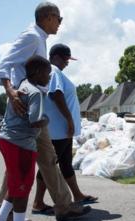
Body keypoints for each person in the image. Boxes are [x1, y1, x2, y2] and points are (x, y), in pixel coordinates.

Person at [0, 2, 91, 221]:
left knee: (47, 158)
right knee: (21, 164)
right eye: (59, 18)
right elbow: (4, 64)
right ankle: (7, 212)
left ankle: (62, 206)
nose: (60, 23)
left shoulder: (40, 39)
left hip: (35, 108)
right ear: (48, 17)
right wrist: (10, 91)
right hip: (25, 108)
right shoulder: (31, 37)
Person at [32, 44, 98, 209]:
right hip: (57, 130)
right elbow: (56, 94)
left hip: (63, 131)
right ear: (55, 57)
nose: (67, 63)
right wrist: (69, 120)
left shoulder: (57, 72)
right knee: (49, 165)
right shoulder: (53, 71)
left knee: (66, 163)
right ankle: (38, 202)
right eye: (65, 59)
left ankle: (77, 195)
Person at [0, 56, 51, 221]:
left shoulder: (20, 86)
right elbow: (35, 121)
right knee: (23, 188)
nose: (49, 77)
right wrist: (46, 119)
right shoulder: (36, 92)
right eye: (48, 73)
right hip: (21, 144)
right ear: (38, 72)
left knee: (15, 184)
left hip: (6, 139)